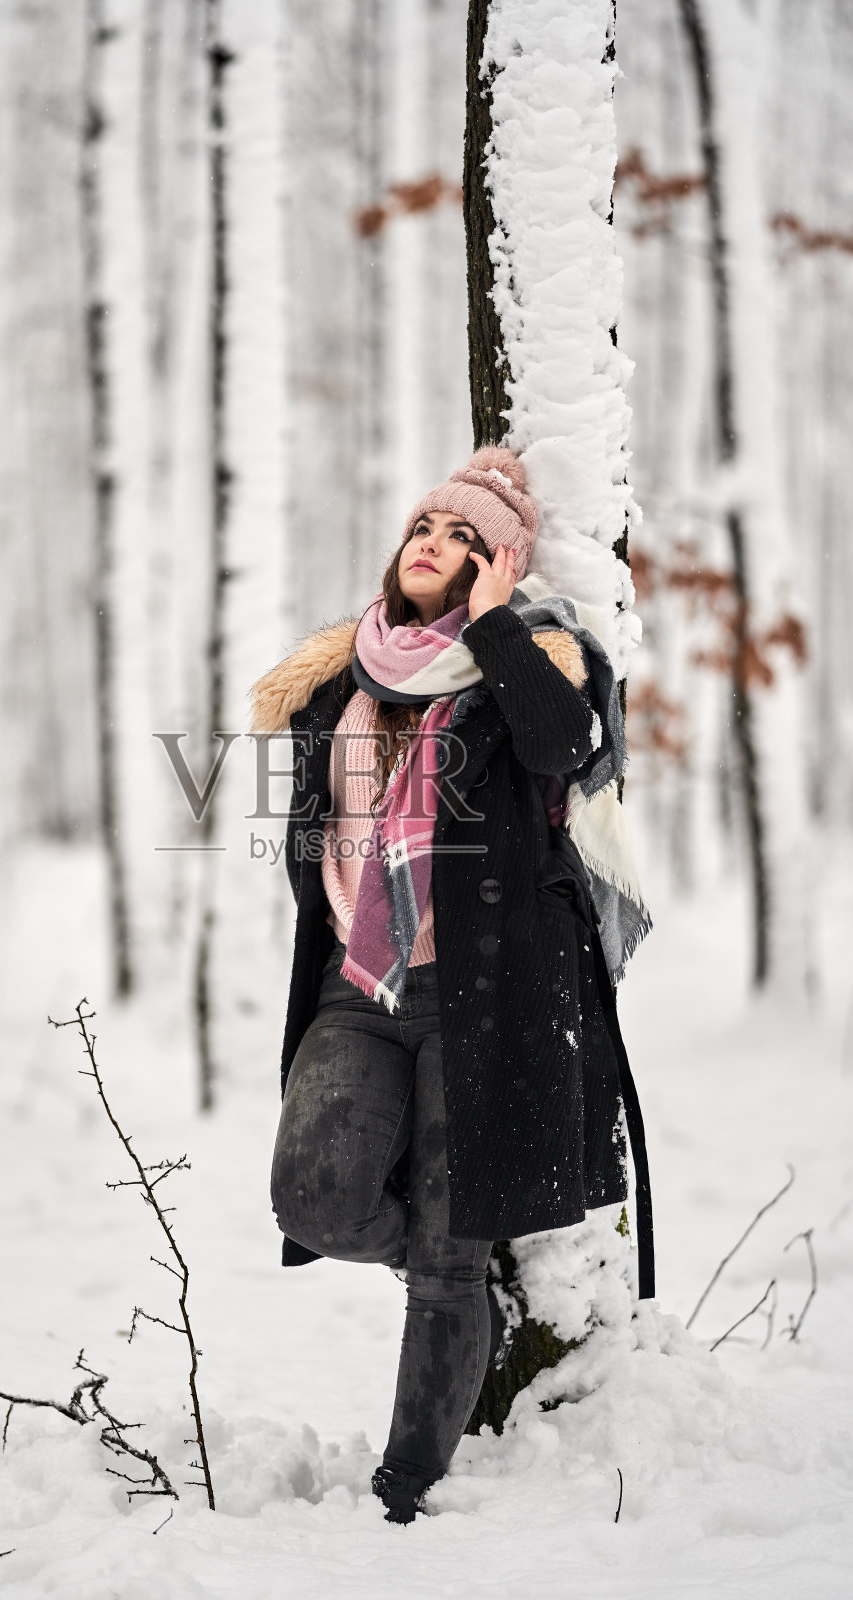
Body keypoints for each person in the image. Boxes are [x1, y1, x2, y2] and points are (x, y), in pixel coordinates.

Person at [248, 446, 652, 1525]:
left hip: (488, 1002)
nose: (435, 545)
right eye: (427, 527)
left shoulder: (535, 660)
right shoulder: (343, 671)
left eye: (467, 541)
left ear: (499, 568)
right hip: (356, 986)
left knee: (447, 1261)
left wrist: (490, 624)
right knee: (313, 1192)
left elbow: (567, 748)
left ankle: (405, 1486)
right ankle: (439, 1265)